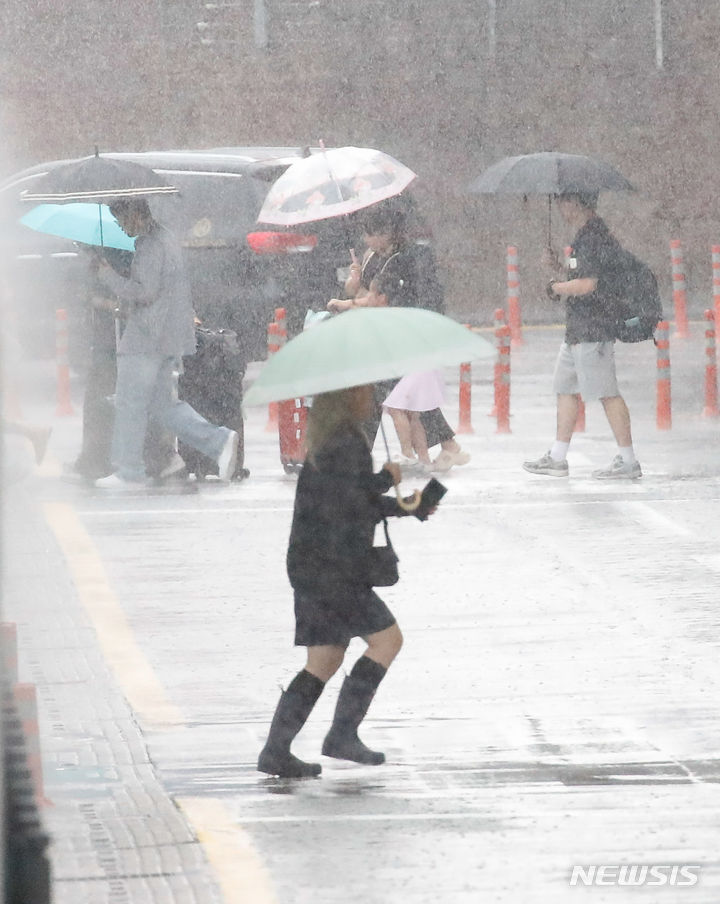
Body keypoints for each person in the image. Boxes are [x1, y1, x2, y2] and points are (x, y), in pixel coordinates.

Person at [257, 384, 438, 778]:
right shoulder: (344, 443)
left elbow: (349, 501)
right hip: (332, 569)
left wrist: (408, 506)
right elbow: (355, 505)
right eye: (364, 391)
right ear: (347, 398)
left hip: (315, 564)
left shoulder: (331, 439)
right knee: (387, 640)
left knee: (324, 659)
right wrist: (387, 482)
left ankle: (276, 749)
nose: (370, 398)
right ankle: (341, 734)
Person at [91, 199, 238, 489]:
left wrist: (106, 275)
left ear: (135, 213)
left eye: (121, 219)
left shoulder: (150, 245)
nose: (121, 226)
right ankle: (218, 441)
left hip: (147, 337)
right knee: (163, 405)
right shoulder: (167, 238)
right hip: (168, 335)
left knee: (130, 402)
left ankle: (128, 470)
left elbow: (144, 292)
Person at [327, 204, 470, 473]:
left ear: (386, 233)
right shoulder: (374, 257)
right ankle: (445, 446)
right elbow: (359, 291)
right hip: (383, 333)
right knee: (399, 393)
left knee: (387, 393)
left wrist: (347, 305)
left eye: (370, 234)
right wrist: (353, 280)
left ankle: (393, 452)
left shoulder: (400, 260)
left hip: (397, 335)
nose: (366, 240)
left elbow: (376, 298)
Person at [523, 191, 641, 480]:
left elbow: (589, 284)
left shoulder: (594, 238)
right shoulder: (585, 237)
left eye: (563, 201)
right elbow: (583, 275)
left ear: (575, 204)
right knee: (565, 388)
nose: (560, 207)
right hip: (578, 329)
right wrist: (559, 269)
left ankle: (628, 460)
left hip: (593, 328)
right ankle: (557, 457)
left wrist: (556, 287)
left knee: (606, 393)